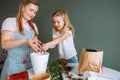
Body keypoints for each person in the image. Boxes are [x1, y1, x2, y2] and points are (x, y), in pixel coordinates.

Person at [0, 0, 42, 79]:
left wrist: (37, 48)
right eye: (31, 10)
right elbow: (4, 44)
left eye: (35, 12)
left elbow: (34, 46)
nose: (32, 14)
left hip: (29, 67)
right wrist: (25, 40)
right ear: (23, 7)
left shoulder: (34, 26)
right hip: (13, 67)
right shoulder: (11, 22)